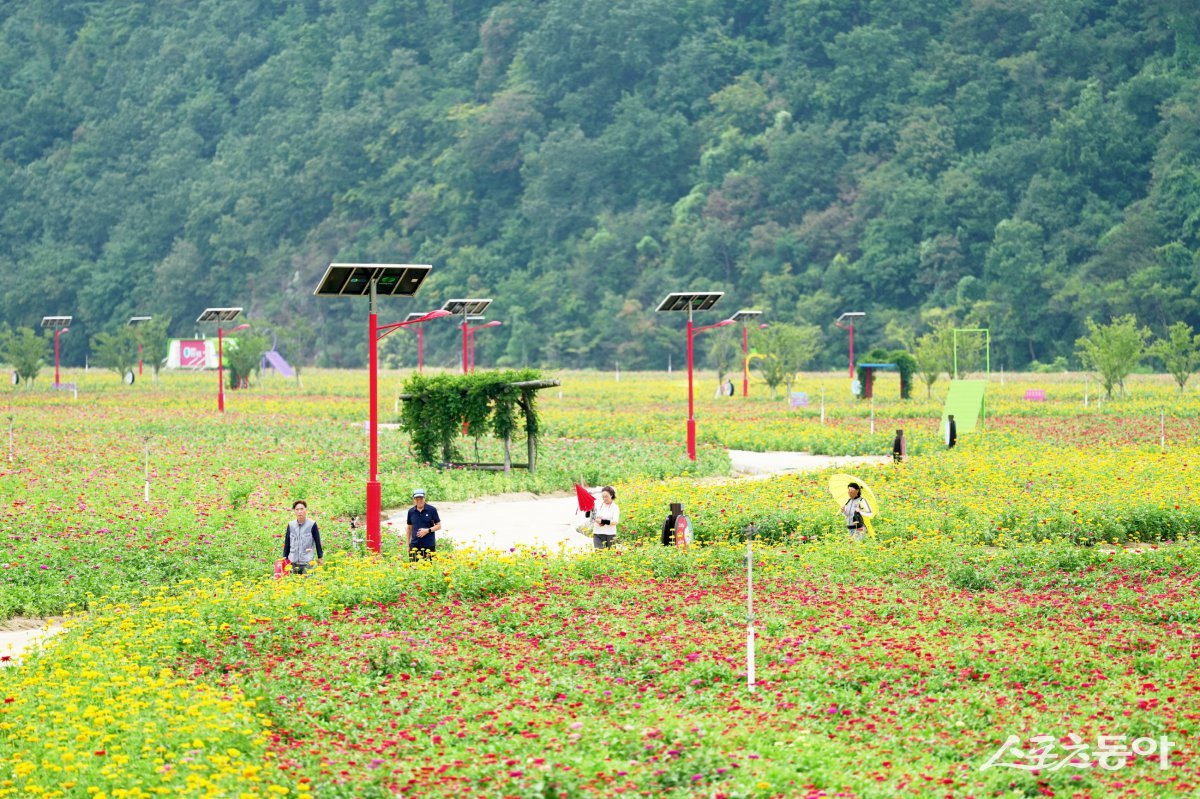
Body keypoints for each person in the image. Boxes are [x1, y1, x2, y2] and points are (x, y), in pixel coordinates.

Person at [283, 500, 323, 574]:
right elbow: (287, 542)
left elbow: (317, 541)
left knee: (308, 583)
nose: (299, 511)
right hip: (293, 561)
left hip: (307, 562)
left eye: (302, 509)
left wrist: (320, 557)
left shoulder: (312, 524)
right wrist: (284, 557)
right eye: (297, 509)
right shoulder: (291, 525)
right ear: (294, 511)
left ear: (306, 510)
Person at [406, 489, 441, 561]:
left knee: (428, 568)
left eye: (421, 498)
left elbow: (439, 526)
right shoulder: (411, 511)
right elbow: (409, 528)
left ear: (424, 498)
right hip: (414, 545)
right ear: (414, 500)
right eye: (417, 499)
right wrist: (408, 544)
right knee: (413, 568)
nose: (419, 501)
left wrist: (427, 530)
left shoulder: (432, 510)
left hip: (428, 545)